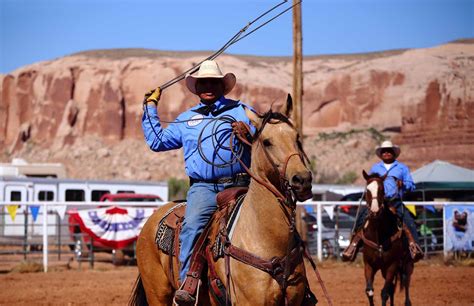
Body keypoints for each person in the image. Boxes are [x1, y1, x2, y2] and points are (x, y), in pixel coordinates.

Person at [142, 60, 253, 305]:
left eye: (213, 82)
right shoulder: (186, 119)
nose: (208, 87)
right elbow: (157, 141)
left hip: (241, 184)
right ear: (197, 87)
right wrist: (150, 106)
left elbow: (266, 136)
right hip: (204, 187)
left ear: (223, 86)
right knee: (192, 228)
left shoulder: (242, 111)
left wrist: (249, 134)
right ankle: (189, 285)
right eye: (203, 82)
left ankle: (297, 284)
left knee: (272, 221)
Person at [342, 140, 424, 262]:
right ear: (381, 154)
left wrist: (403, 184)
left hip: (395, 201)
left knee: (408, 221)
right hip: (378, 202)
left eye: (389, 151)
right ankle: (352, 247)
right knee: (361, 218)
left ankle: (415, 247)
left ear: (394, 153)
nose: (386, 153)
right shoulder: (375, 168)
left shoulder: (402, 168)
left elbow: (411, 186)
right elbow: (370, 183)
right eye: (384, 151)